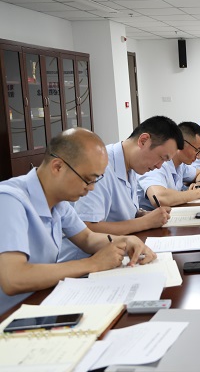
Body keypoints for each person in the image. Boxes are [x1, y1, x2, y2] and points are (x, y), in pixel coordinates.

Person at [0, 128, 156, 314]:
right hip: (10, 315)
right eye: (87, 180)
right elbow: (13, 278)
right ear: (58, 167)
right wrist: (93, 264)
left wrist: (124, 241)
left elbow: (87, 238)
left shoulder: (59, 202)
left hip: (41, 301)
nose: (91, 188)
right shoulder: (9, 201)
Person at [73, 115, 183, 235]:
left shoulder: (131, 166)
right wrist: (145, 222)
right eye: (161, 157)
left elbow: (122, 215)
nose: (159, 166)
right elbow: (87, 227)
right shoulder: (101, 166)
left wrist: (141, 215)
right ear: (143, 141)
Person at [137, 122, 200, 210]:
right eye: (197, 150)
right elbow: (159, 198)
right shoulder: (157, 164)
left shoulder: (181, 165)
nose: (199, 156)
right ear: (181, 144)